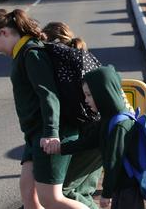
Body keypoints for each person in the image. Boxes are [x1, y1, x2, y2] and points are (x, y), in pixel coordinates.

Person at [0, 9, 87, 209]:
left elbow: (49, 95)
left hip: (51, 134)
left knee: (51, 199)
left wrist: (51, 133)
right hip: (34, 136)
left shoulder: (32, 53)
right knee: (29, 193)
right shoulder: (22, 53)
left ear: (4, 32)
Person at [48, 65, 143, 209]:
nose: (86, 100)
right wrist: (60, 148)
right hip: (120, 188)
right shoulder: (107, 120)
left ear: (103, 93)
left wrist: (106, 193)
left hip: (128, 189)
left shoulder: (121, 124)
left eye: (89, 95)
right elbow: (88, 143)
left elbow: (113, 162)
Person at [43, 22, 103, 209]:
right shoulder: (83, 55)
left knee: (64, 191)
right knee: (83, 192)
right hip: (104, 128)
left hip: (91, 135)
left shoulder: (58, 57)